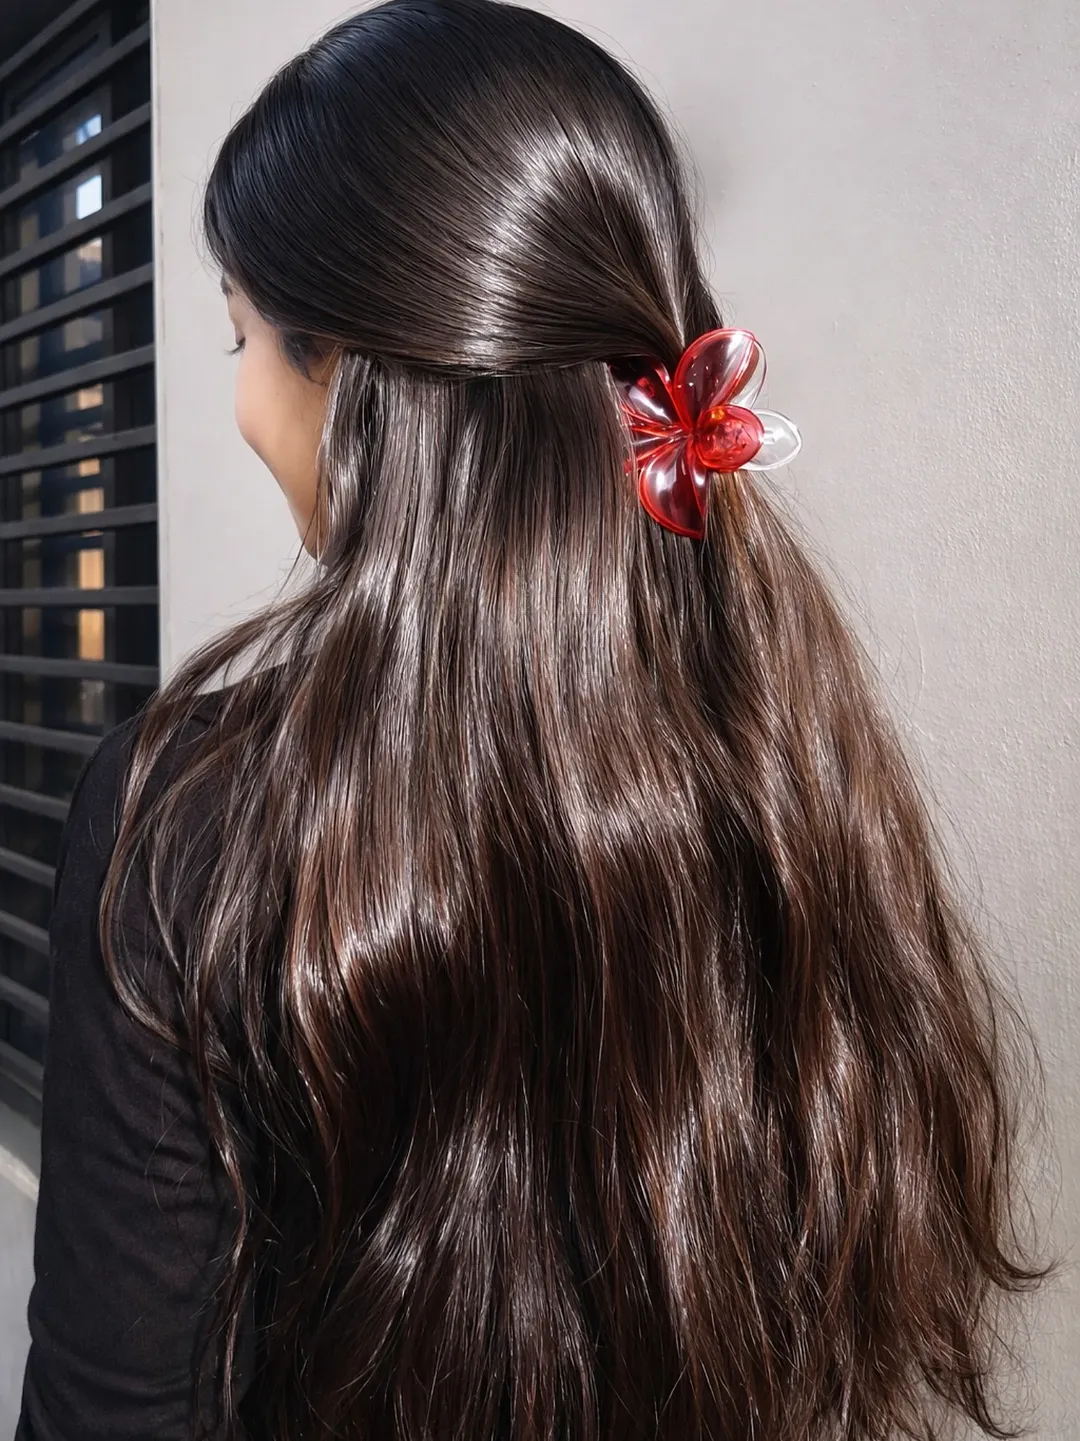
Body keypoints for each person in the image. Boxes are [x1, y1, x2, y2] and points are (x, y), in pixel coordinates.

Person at [16, 0, 1052, 1436]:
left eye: (244, 336)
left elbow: (113, 1408)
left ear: (362, 384)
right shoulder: (792, 752)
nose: (243, 403)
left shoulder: (185, 821)